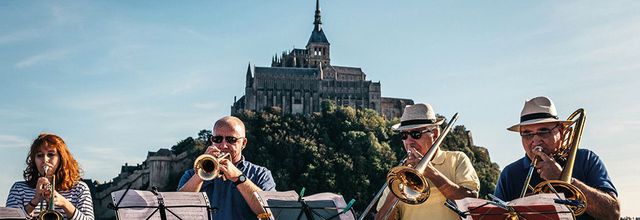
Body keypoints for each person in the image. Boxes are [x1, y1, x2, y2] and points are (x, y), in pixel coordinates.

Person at [494, 96, 620, 220]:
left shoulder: (586, 159)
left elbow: (613, 213)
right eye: (527, 134)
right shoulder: (510, 174)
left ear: (560, 131)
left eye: (543, 131)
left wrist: (564, 180)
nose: (535, 140)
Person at [375, 103, 480, 220]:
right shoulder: (399, 174)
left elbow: (471, 200)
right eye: (404, 135)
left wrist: (433, 173)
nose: (409, 142)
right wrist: (395, 192)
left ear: (435, 134)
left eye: (416, 134)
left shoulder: (457, 159)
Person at [178, 116, 276, 219]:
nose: (223, 145)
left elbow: (271, 212)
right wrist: (201, 174)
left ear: (243, 143)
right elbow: (178, 210)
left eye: (231, 140)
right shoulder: (191, 175)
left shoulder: (261, 174)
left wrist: (238, 177)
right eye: (217, 139)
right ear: (212, 140)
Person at [6, 133, 94, 220]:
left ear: (61, 158)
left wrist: (64, 204)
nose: (45, 160)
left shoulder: (79, 188)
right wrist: (34, 201)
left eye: (51, 154)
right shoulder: (19, 189)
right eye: (39, 155)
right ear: (34, 160)